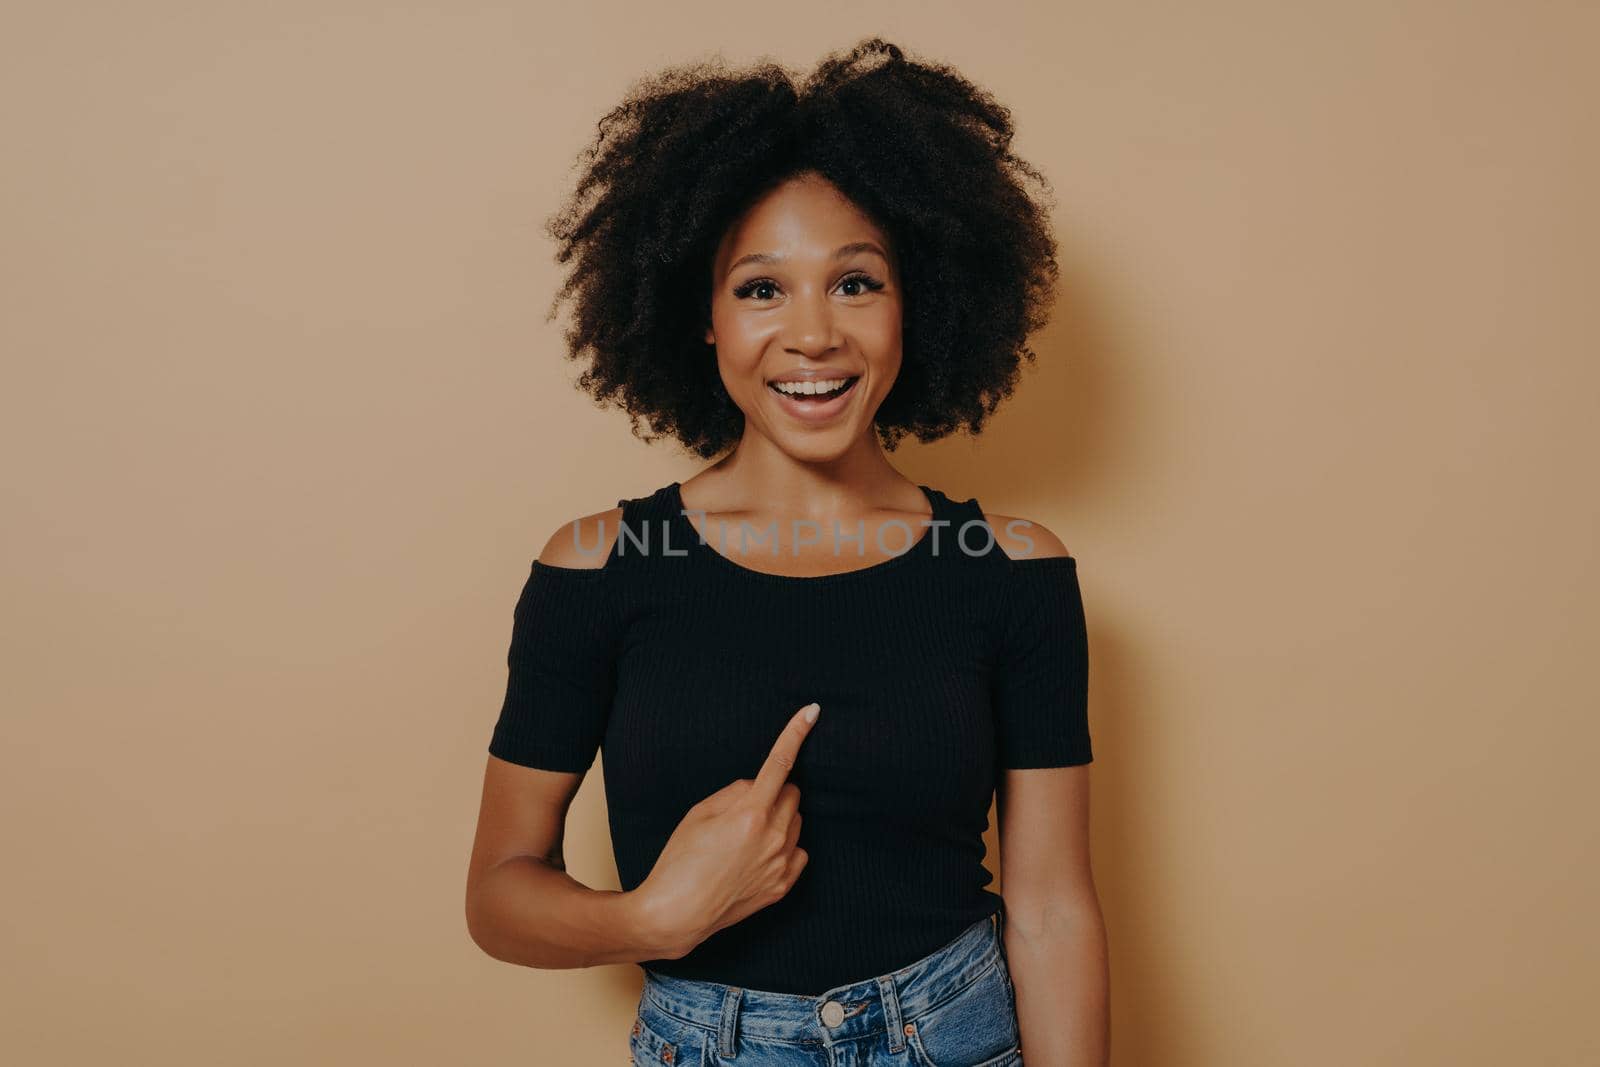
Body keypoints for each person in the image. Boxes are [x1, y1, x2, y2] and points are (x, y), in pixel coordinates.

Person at [465, 37, 1109, 1066]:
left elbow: (1051, 912)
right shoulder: (595, 570)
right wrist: (651, 917)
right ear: (702, 319)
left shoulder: (1014, 573)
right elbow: (497, 892)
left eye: (855, 282)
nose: (812, 334)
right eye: (762, 288)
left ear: (920, 306)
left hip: (954, 1033)